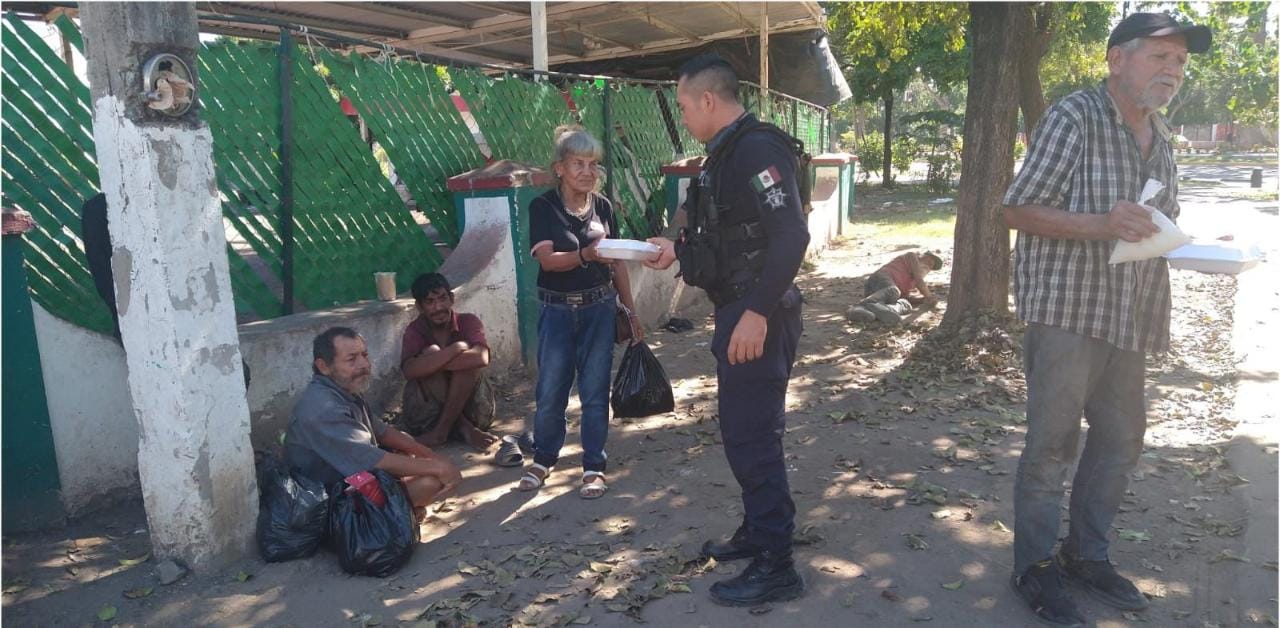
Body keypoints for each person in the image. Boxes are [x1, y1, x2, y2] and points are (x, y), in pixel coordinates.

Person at [1002, 13, 1210, 627]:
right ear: (1118, 58)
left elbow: (1158, 218)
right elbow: (1015, 208)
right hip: (1067, 308)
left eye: (1179, 62)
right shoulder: (1074, 117)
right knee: (1052, 444)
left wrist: (1190, 241)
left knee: (1120, 439)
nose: (1172, 71)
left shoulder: (1161, 134)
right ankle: (1033, 568)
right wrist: (1101, 223)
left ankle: (1085, 555)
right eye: (1159, 57)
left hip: (1131, 311)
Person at [644, 54, 809, 606]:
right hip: (739, 308)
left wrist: (757, 313)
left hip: (757, 313)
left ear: (709, 101)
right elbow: (728, 234)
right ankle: (759, 532)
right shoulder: (727, 152)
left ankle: (777, 564)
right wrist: (676, 250)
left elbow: (790, 236)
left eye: (686, 106)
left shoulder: (758, 149)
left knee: (752, 437)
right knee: (747, 431)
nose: (684, 116)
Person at [516, 125, 642, 499]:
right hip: (556, 313)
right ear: (559, 168)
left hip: (599, 311)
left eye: (593, 164)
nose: (587, 172)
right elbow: (548, 262)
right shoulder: (543, 207)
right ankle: (544, 459)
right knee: (551, 389)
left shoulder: (602, 206)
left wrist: (632, 313)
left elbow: (617, 262)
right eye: (578, 164)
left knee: (594, 391)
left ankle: (593, 466)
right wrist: (587, 254)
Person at [286, 327, 461, 515]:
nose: (364, 364)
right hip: (328, 503)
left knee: (406, 445)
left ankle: (397, 511)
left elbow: (382, 431)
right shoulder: (323, 408)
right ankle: (388, 518)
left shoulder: (343, 390)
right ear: (323, 366)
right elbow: (372, 460)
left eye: (364, 355)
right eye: (351, 359)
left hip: (350, 478)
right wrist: (438, 467)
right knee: (431, 482)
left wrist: (429, 455)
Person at [398, 272, 499, 451]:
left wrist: (433, 362)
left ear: (451, 299)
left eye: (442, 298)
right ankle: (464, 428)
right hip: (427, 418)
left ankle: (443, 431)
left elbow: (481, 357)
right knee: (432, 352)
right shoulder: (415, 330)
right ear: (420, 307)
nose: (438, 307)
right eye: (430, 302)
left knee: (460, 363)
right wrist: (454, 349)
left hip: (476, 412)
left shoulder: (468, 321)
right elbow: (409, 370)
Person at [846, 251, 943, 325]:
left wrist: (922, 300)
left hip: (882, 296)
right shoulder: (911, 257)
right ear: (922, 256)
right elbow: (919, 280)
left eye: (931, 266)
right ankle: (858, 307)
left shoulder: (912, 282)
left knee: (905, 304)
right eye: (929, 260)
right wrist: (929, 296)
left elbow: (905, 296)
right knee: (894, 291)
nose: (928, 265)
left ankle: (878, 311)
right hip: (879, 280)